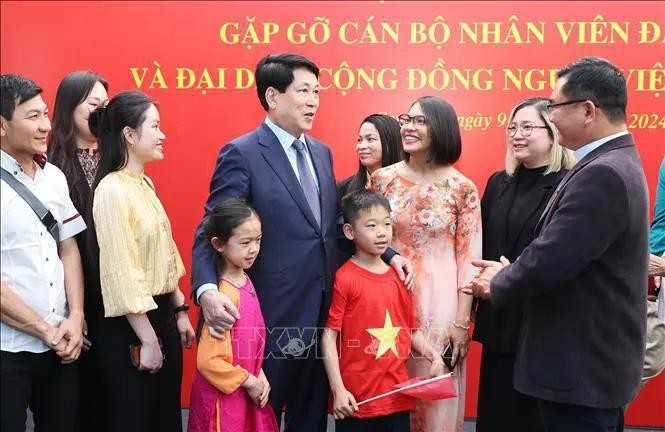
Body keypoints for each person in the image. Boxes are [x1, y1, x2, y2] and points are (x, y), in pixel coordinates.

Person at [191, 53, 411, 431]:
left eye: (317, 92)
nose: (313, 100)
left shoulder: (321, 153)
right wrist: (207, 290)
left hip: (321, 319)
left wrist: (387, 252)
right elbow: (211, 227)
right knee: (259, 417)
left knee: (310, 419)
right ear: (273, 96)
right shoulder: (241, 153)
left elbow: (334, 225)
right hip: (268, 320)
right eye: (304, 91)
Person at [463, 57, 649, 432]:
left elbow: (551, 259)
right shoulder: (612, 162)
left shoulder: (603, 173)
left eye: (553, 107)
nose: (551, 115)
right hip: (586, 366)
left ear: (587, 110)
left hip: (580, 370)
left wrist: (498, 280)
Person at [371, 96, 482, 432]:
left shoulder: (462, 188)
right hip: (388, 301)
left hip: (440, 304)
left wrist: (462, 321)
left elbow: (469, 261)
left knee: (435, 398)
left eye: (420, 121)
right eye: (407, 119)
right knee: (387, 394)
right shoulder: (381, 180)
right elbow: (367, 240)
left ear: (442, 129)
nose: (409, 127)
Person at [89, 91, 195, 432]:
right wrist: (148, 339)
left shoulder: (144, 183)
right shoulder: (111, 189)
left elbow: (164, 253)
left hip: (161, 314)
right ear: (129, 135)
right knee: (135, 418)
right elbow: (123, 270)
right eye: (156, 126)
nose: (163, 135)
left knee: (165, 418)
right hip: (131, 327)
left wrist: (179, 310)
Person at [472, 97, 575, 432]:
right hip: (498, 318)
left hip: (540, 325)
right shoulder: (498, 182)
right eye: (512, 127)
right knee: (495, 414)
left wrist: (511, 273)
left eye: (527, 127)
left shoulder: (568, 184)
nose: (517, 134)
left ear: (553, 133)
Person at [0, 73, 86, 432]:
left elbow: (68, 248)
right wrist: (43, 330)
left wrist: (76, 317)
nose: (45, 126)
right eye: (32, 117)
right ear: (2, 125)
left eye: (46, 114)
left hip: (60, 346)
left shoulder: (54, 178)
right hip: (9, 349)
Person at [322, 190, 445, 432]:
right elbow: (329, 336)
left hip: (397, 398)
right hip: (356, 402)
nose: (381, 232)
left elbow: (411, 331)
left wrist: (435, 356)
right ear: (349, 232)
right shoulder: (345, 277)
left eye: (387, 224)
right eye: (371, 225)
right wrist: (338, 389)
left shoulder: (401, 278)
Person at [47, 70, 109, 431]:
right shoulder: (50, 165)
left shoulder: (120, 159)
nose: (100, 112)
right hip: (70, 296)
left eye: (105, 105)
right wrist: (74, 307)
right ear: (70, 108)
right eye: (92, 105)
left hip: (113, 295)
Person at [188, 198, 278, 432]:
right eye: (245, 242)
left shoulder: (245, 280)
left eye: (258, 240)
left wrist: (259, 372)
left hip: (242, 392)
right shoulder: (225, 295)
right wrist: (249, 380)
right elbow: (209, 361)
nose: (254, 249)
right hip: (222, 402)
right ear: (218, 244)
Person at [337, 113, 402, 199]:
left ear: (389, 144)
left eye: (370, 139)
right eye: (359, 140)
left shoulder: (411, 187)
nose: (361, 146)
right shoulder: (344, 189)